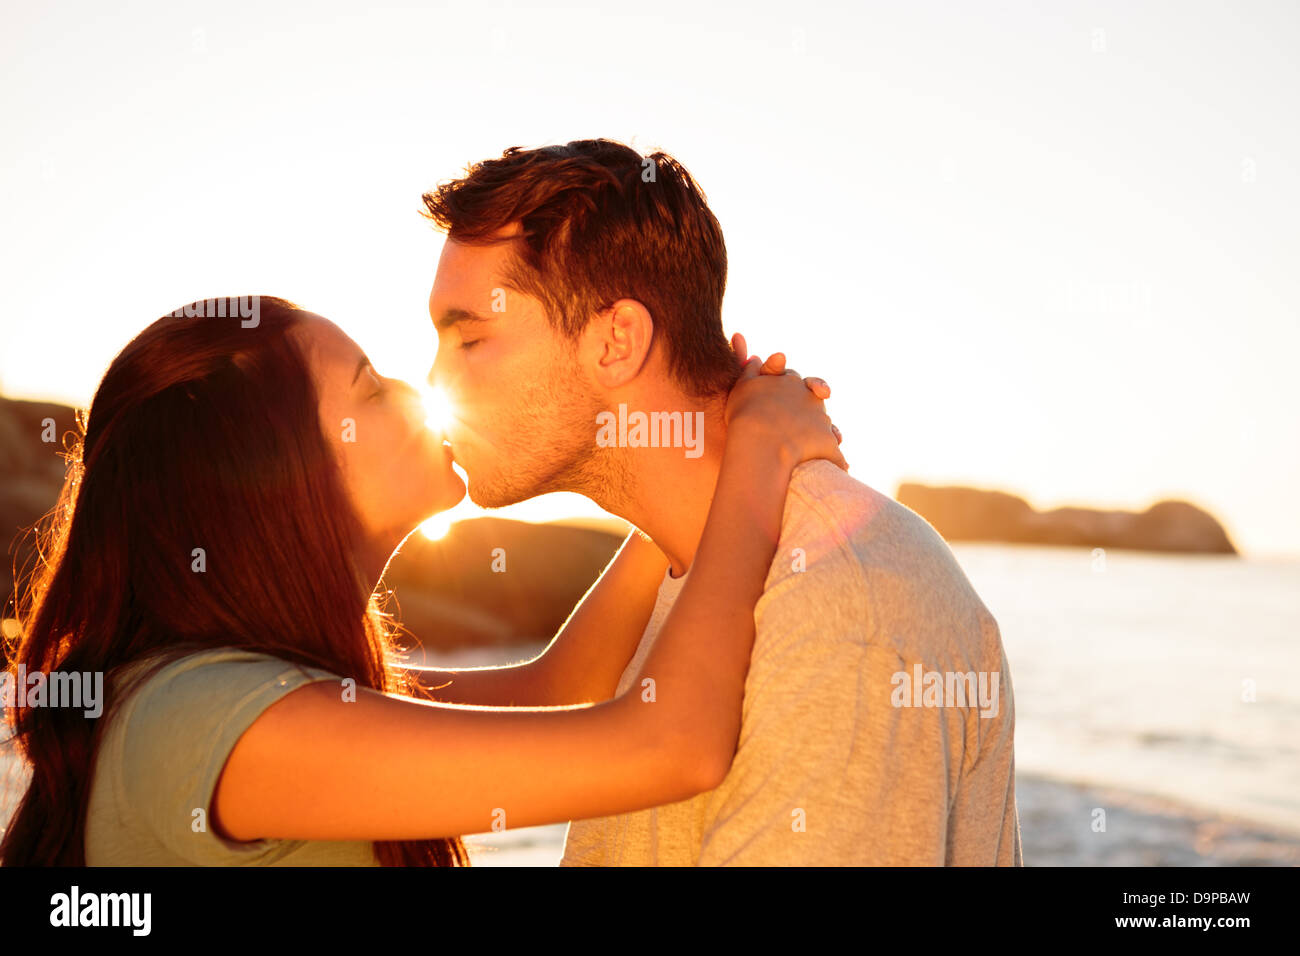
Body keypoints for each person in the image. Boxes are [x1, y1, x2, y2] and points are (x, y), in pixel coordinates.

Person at [0, 295, 843, 866]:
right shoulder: (207, 718)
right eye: (369, 389)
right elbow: (673, 745)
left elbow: (562, 686)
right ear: (276, 472)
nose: (416, 388)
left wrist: (695, 471)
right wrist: (760, 466)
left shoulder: (274, 693)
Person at [418, 138, 1023, 865]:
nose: (432, 381)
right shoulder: (692, 566)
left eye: (470, 340)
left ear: (617, 343)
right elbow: (549, 694)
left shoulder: (841, 605)